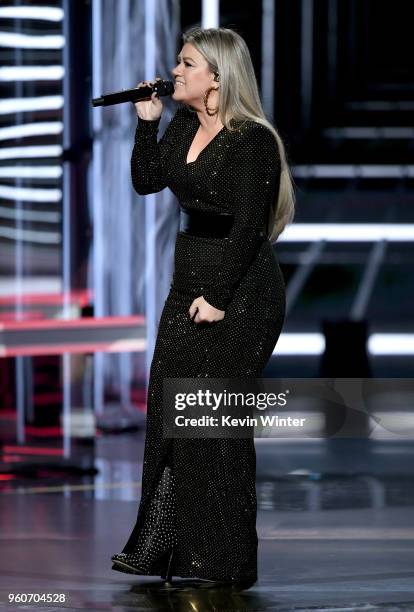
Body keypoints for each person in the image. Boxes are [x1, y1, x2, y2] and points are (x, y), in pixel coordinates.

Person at [111, 26, 295, 589]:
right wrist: (147, 125)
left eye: (187, 64)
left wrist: (217, 298)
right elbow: (147, 182)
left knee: (214, 422)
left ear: (218, 77)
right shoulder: (185, 124)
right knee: (174, 411)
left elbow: (246, 230)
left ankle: (226, 561)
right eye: (179, 62)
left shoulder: (252, 140)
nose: (176, 72)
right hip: (188, 275)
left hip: (241, 291)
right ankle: (168, 547)